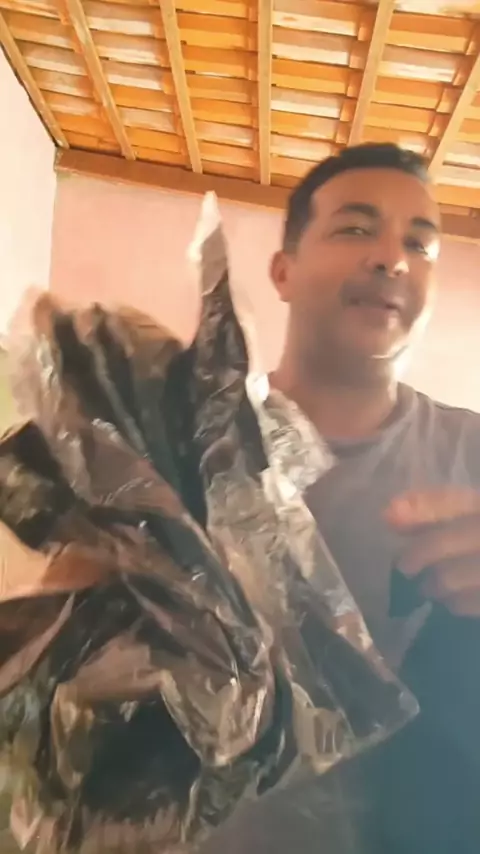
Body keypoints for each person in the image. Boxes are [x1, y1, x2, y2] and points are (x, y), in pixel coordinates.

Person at [202, 143, 480, 854]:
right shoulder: (182, 436)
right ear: (283, 270)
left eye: (419, 244)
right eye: (356, 228)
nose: (392, 259)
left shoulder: (472, 454)